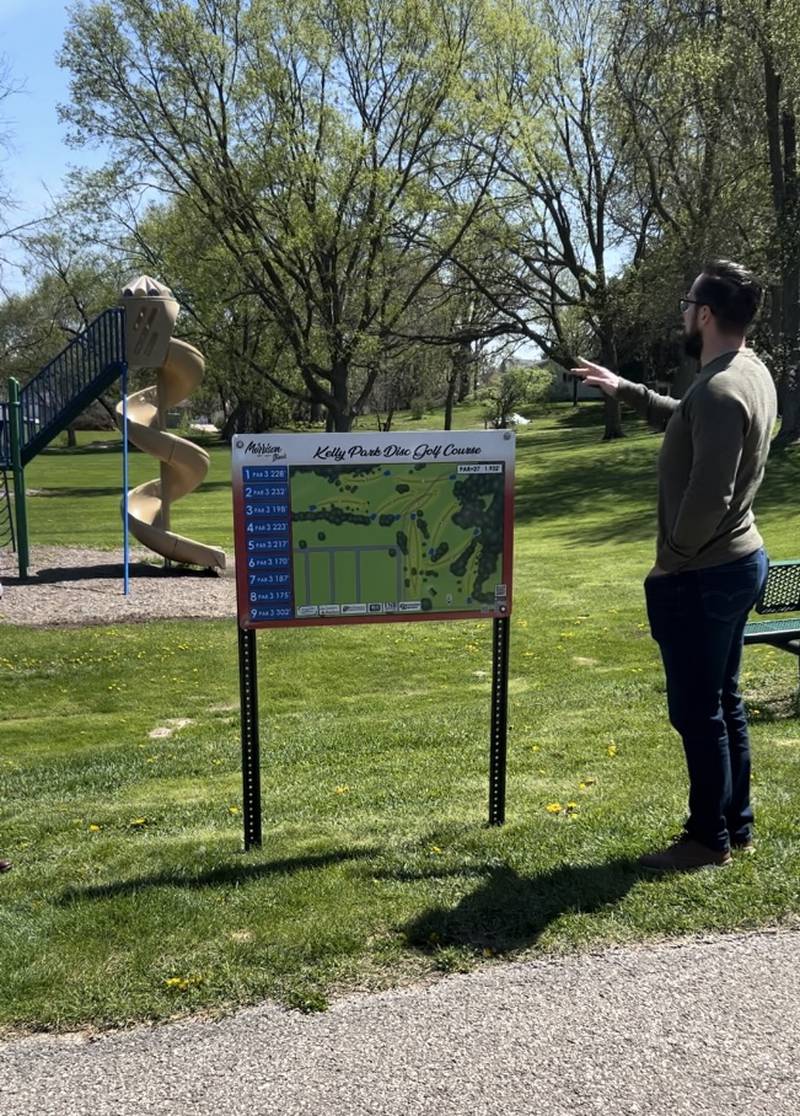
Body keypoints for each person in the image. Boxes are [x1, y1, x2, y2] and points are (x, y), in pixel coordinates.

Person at [570, 260, 777, 872]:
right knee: (725, 701)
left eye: (688, 304)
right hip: (739, 561)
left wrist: (670, 563)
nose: (683, 314)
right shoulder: (746, 372)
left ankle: (707, 840)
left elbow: (707, 495)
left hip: (705, 573)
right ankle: (734, 828)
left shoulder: (719, 388)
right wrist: (625, 388)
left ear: (705, 314)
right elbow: (687, 418)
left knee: (697, 710)